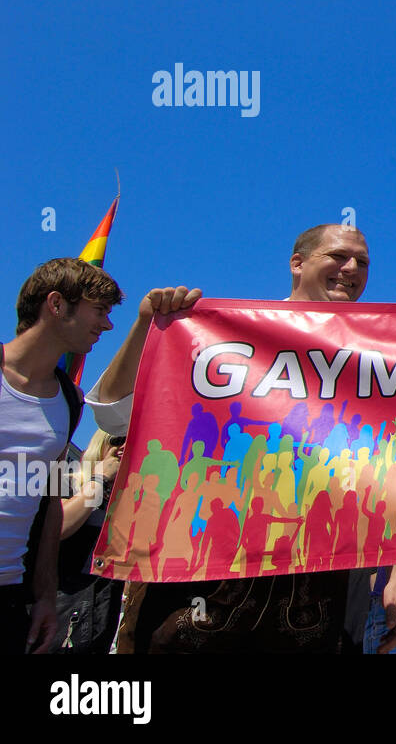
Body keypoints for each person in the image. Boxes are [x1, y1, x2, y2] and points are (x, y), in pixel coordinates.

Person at [96, 224, 369, 653]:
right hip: (207, 573)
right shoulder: (225, 335)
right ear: (297, 264)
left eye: (363, 262)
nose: (351, 268)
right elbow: (113, 415)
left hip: (313, 585)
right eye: (338, 256)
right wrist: (149, 326)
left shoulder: (373, 357)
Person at [1, 258, 123, 653]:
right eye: (100, 310)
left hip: (12, 596)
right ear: (56, 304)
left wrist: (44, 596)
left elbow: (50, 503)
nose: (107, 324)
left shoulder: (67, 400)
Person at [56, 428, 127, 653]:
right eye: (118, 441)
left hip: (102, 613)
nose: (124, 447)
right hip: (61, 605)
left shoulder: (127, 501)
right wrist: (100, 479)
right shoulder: (70, 481)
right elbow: (60, 527)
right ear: (101, 444)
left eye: (132, 441)